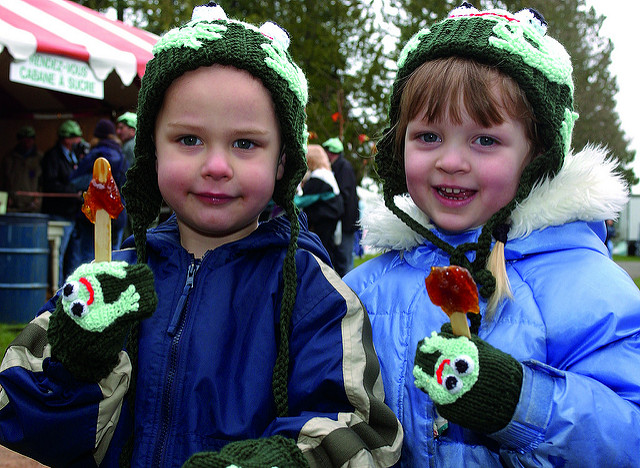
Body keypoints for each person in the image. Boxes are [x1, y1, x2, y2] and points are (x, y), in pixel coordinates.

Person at [0, 4, 402, 468]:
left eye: (245, 143)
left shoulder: (315, 295)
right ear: (153, 150)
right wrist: (75, 367)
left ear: (282, 162)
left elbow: (360, 432)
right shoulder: (107, 282)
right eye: (189, 139)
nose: (215, 166)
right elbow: (16, 420)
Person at [344, 4, 639, 467]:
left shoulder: (587, 288)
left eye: (485, 140)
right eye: (428, 136)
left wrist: (518, 402)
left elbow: (626, 437)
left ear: (537, 155)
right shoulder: (364, 288)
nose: (451, 161)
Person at [66, 118, 129, 273]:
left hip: (92, 215)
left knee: (88, 260)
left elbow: (74, 181)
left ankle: (89, 294)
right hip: (118, 213)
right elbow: (127, 185)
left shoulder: (93, 155)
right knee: (114, 259)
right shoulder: (121, 156)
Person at [40, 119, 84, 287]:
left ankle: (72, 288)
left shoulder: (74, 156)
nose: (79, 140)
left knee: (74, 256)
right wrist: (73, 192)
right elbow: (50, 184)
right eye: (75, 137)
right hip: (58, 213)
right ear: (66, 139)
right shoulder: (52, 157)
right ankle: (56, 289)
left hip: (73, 213)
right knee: (57, 254)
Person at [299, 144, 343, 265]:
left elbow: (302, 200)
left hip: (323, 220)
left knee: (321, 251)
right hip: (330, 218)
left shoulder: (319, 176)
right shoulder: (327, 174)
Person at [322, 137, 359, 276]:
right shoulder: (339, 166)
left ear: (331, 152)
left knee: (345, 258)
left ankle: (351, 292)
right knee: (341, 258)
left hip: (346, 223)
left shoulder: (344, 167)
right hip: (342, 222)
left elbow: (345, 196)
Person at [0, 125, 43, 212]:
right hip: (12, 205)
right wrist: (5, 199)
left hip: (32, 207)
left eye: (30, 139)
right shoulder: (9, 158)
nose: (27, 142)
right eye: (24, 139)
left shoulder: (40, 158)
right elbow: (3, 181)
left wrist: (38, 200)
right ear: (19, 140)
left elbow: (43, 183)